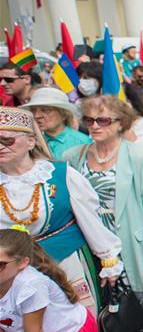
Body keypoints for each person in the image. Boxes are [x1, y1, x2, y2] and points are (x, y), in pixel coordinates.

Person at [62, 96, 143, 332]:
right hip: (95, 246)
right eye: (89, 120)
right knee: (114, 301)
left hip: (134, 244)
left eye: (103, 120)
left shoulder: (138, 156)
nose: (94, 126)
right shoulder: (73, 156)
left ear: (120, 123)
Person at [0, 106, 122, 312]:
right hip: (13, 272)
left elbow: (90, 219)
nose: (1, 147)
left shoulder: (60, 174)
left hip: (66, 263)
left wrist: (109, 258)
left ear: (30, 141)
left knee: (76, 324)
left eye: (7, 140)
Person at [22, 87, 91, 159]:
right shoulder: (31, 142)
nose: (37, 115)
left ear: (63, 114)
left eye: (45, 110)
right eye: (33, 110)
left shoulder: (83, 143)